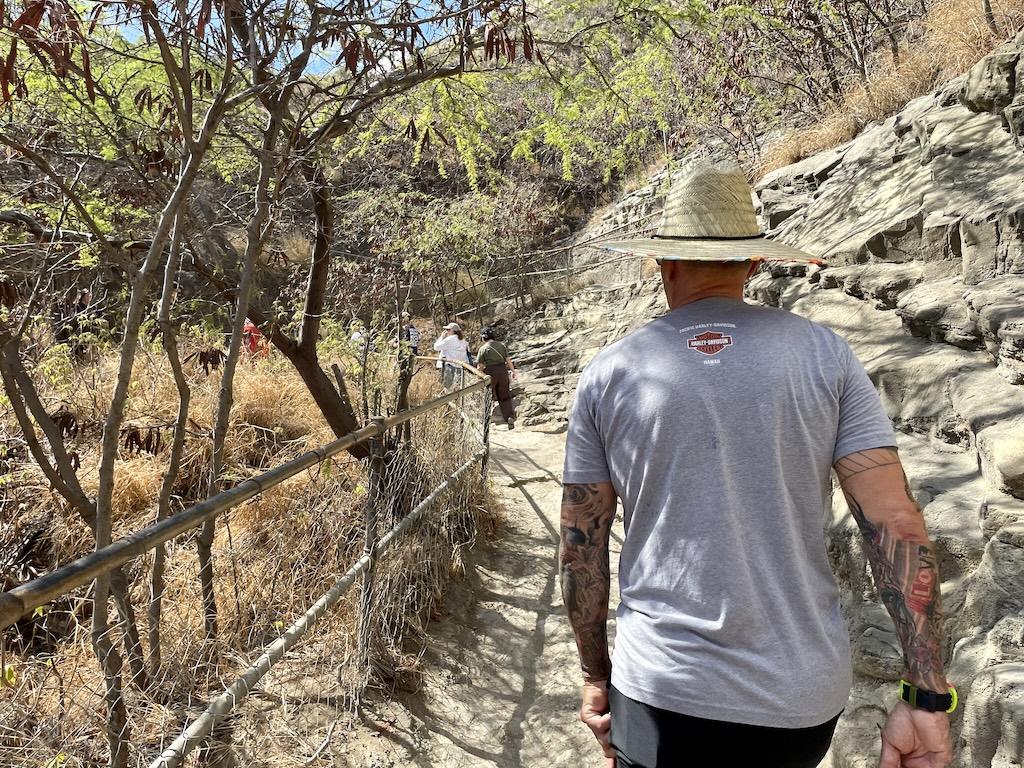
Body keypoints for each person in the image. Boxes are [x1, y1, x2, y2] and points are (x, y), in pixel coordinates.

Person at [559, 159, 954, 768]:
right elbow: (895, 523)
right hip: (797, 700)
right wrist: (926, 695)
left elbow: (580, 545)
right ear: (753, 262)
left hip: (661, 690)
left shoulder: (611, 374)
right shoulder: (826, 356)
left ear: (664, 264)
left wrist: (594, 673)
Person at [476, 325, 517, 430]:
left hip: (490, 373)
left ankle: (486, 420)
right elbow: (508, 360)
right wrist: (513, 371)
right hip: (503, 371)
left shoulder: (483, 349)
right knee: (505, 395)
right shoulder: (501, 345)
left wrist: (477, 375)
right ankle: (509, 417)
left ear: (483, 337)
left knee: (488, 396)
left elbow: (480, 366)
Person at [433, 322, 471, 390]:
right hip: (460, 366)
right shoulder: (463, 340)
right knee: (457, 388)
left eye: (448, 330)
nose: (446, 331)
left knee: (447, 388)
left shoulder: (450, 339)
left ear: (453, 331)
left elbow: (436, 347)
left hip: (449, 366)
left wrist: (442, 337)